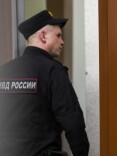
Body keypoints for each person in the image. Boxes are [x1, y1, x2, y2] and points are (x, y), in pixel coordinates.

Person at [0, 10, 89, 156]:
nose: (62, 42)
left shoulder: (4, 71)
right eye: (58, 36)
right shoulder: (53, 71)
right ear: (43, 36)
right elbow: (73, 122)